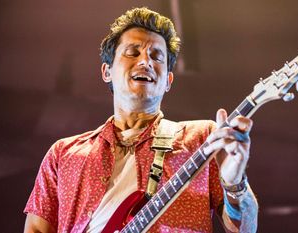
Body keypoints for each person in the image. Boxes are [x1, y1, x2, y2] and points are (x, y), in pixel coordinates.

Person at [24, 7, 258, 233]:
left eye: (157, 56)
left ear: (168, 80)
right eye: (133, 52)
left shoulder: (205, 139)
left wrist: (235, 184)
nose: (145, 62)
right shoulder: (63, 154)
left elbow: (246, 230)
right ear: (107, 72)